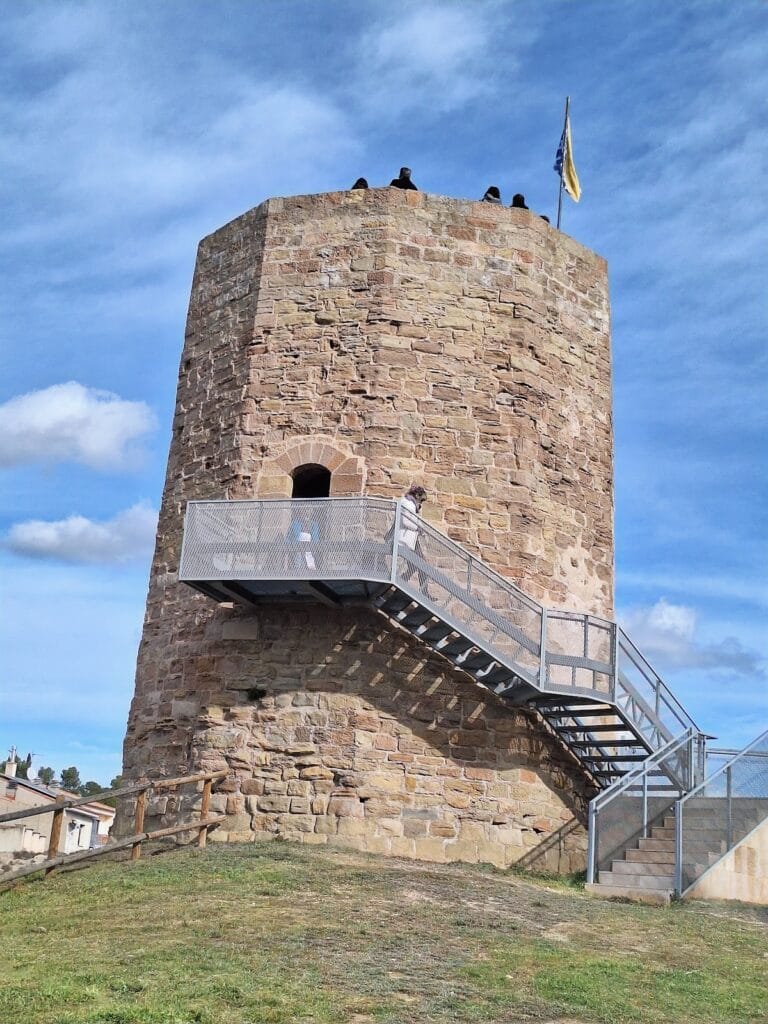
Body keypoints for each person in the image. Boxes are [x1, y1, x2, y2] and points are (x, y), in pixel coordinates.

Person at [397, 485, 432, 596]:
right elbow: (406, 522)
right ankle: (423, 591)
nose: (421, 503)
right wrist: (418, 528)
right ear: (417, 495)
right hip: (405, 540)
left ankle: (404, 580)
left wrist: (421, 527)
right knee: (420, 564)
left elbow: (415, 520)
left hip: (412, 540)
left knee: (419, 565)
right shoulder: (407, 504)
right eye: (421, 500)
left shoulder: (412, 505)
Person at [288, 506, 319, 571]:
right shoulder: (295, 524)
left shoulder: (314, 525)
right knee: (298, 567)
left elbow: (316, 540)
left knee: (310, 567)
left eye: (308, 510)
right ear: (300, 512)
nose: (306, 512)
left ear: (312, 512)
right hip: (297, 550)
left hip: (309, 550)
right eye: (303, 510)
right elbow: (288, 537)